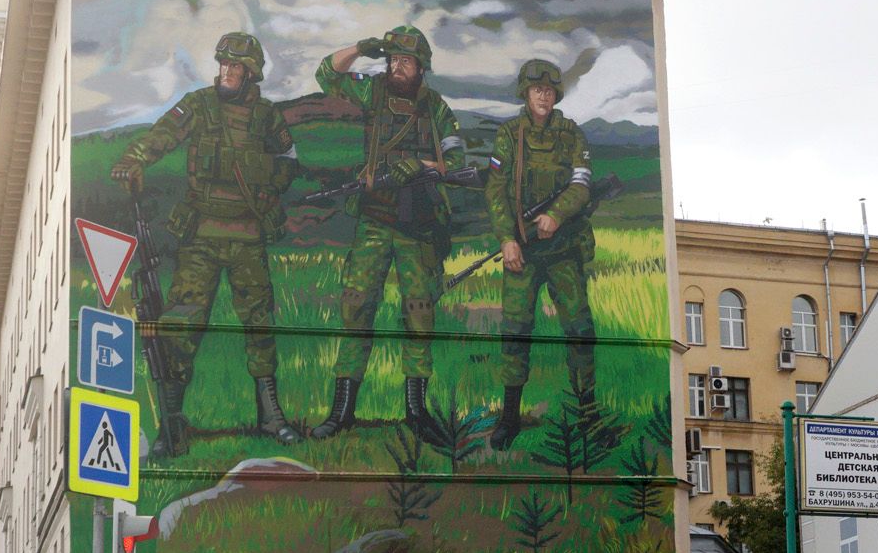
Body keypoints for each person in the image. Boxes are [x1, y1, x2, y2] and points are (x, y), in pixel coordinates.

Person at [110, 31, 302, 453]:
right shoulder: (199, 105)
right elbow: (162, 135)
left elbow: (289, 161)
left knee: (260, 326)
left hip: (248, 236)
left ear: (250, 73)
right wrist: (133, 159)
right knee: (180, 328)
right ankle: (172, 424)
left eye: (235, 66)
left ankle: (271, 416)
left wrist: (269, 187)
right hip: (201, 236)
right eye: (223, 64)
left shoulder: (267, 116)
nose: (226, 72)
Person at [309, 25, 466, 442]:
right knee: (356, 308)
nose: (398, 66)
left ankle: (416, 413)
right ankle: (341, 412)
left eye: (406, 60)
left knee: (419, 314)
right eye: (393, 58)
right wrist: (361, 48)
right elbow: (326, 73)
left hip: (418, 224)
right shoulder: (373, 91)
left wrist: (422, 166)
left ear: (421, 67)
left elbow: (457, 161)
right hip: (375, 219)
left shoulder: (436, 107)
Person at [483, 59, 599, 449]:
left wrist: (557, 214)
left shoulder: (571, 134)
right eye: (537, 90)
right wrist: (506, 239)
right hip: (523, 250)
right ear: (526, 93)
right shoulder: (509, 134)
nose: (543, 97)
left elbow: (582, 184)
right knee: (515, 331)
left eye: (549, 91)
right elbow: (496, 191)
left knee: (580, 330)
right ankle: (509, 418)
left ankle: (587, 415)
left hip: (564, 248)